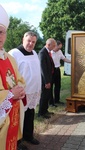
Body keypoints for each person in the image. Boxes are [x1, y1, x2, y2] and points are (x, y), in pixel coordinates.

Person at [9, 31, 41, 148]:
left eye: (33, 42)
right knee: (18, 117)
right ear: (23, 39)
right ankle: (17, 142)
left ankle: (28, 135)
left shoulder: (34, 53)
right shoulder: (14, 53)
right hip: (21, 93)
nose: (31, 44)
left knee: (30, 113)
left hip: (33, 91)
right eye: (29, 41)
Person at [0, 5, 26, 150]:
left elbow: (20, 80)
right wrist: (10, 95)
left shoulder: (10, 58)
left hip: (12, 117)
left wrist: (21, 89)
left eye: (2, 32)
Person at [38, 38, 56, 118]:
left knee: (48, 95)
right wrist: (46, 81)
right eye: (54, 45)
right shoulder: (42, 53)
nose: (54, 47)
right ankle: (41, 113)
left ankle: (45, 110)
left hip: (49, 77)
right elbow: (43, 68)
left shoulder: (47, 52)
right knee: (44, 96)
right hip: (45, 79)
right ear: (48, 45)